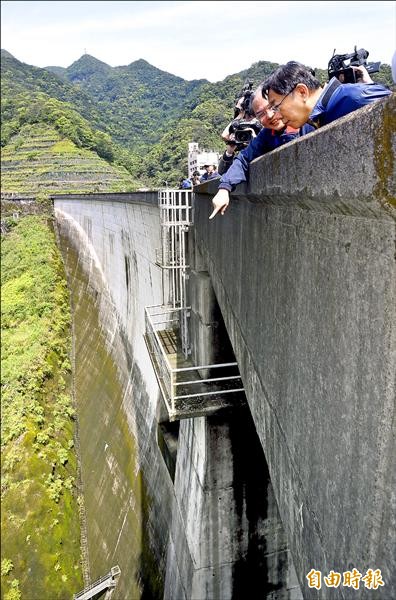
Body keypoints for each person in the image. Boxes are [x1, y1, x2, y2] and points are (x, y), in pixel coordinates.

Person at [209, 86, 315, 219]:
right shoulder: (267, 134)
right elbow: (243, 159)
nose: (270, 116)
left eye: (273, 107)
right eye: (261, 114)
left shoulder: (307, 120)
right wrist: (225, 187)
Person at [262, 61, 391, 130]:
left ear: (302, 92)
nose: (276, 116)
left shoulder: (355, 97)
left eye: (276, 106)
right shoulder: (318, 118)